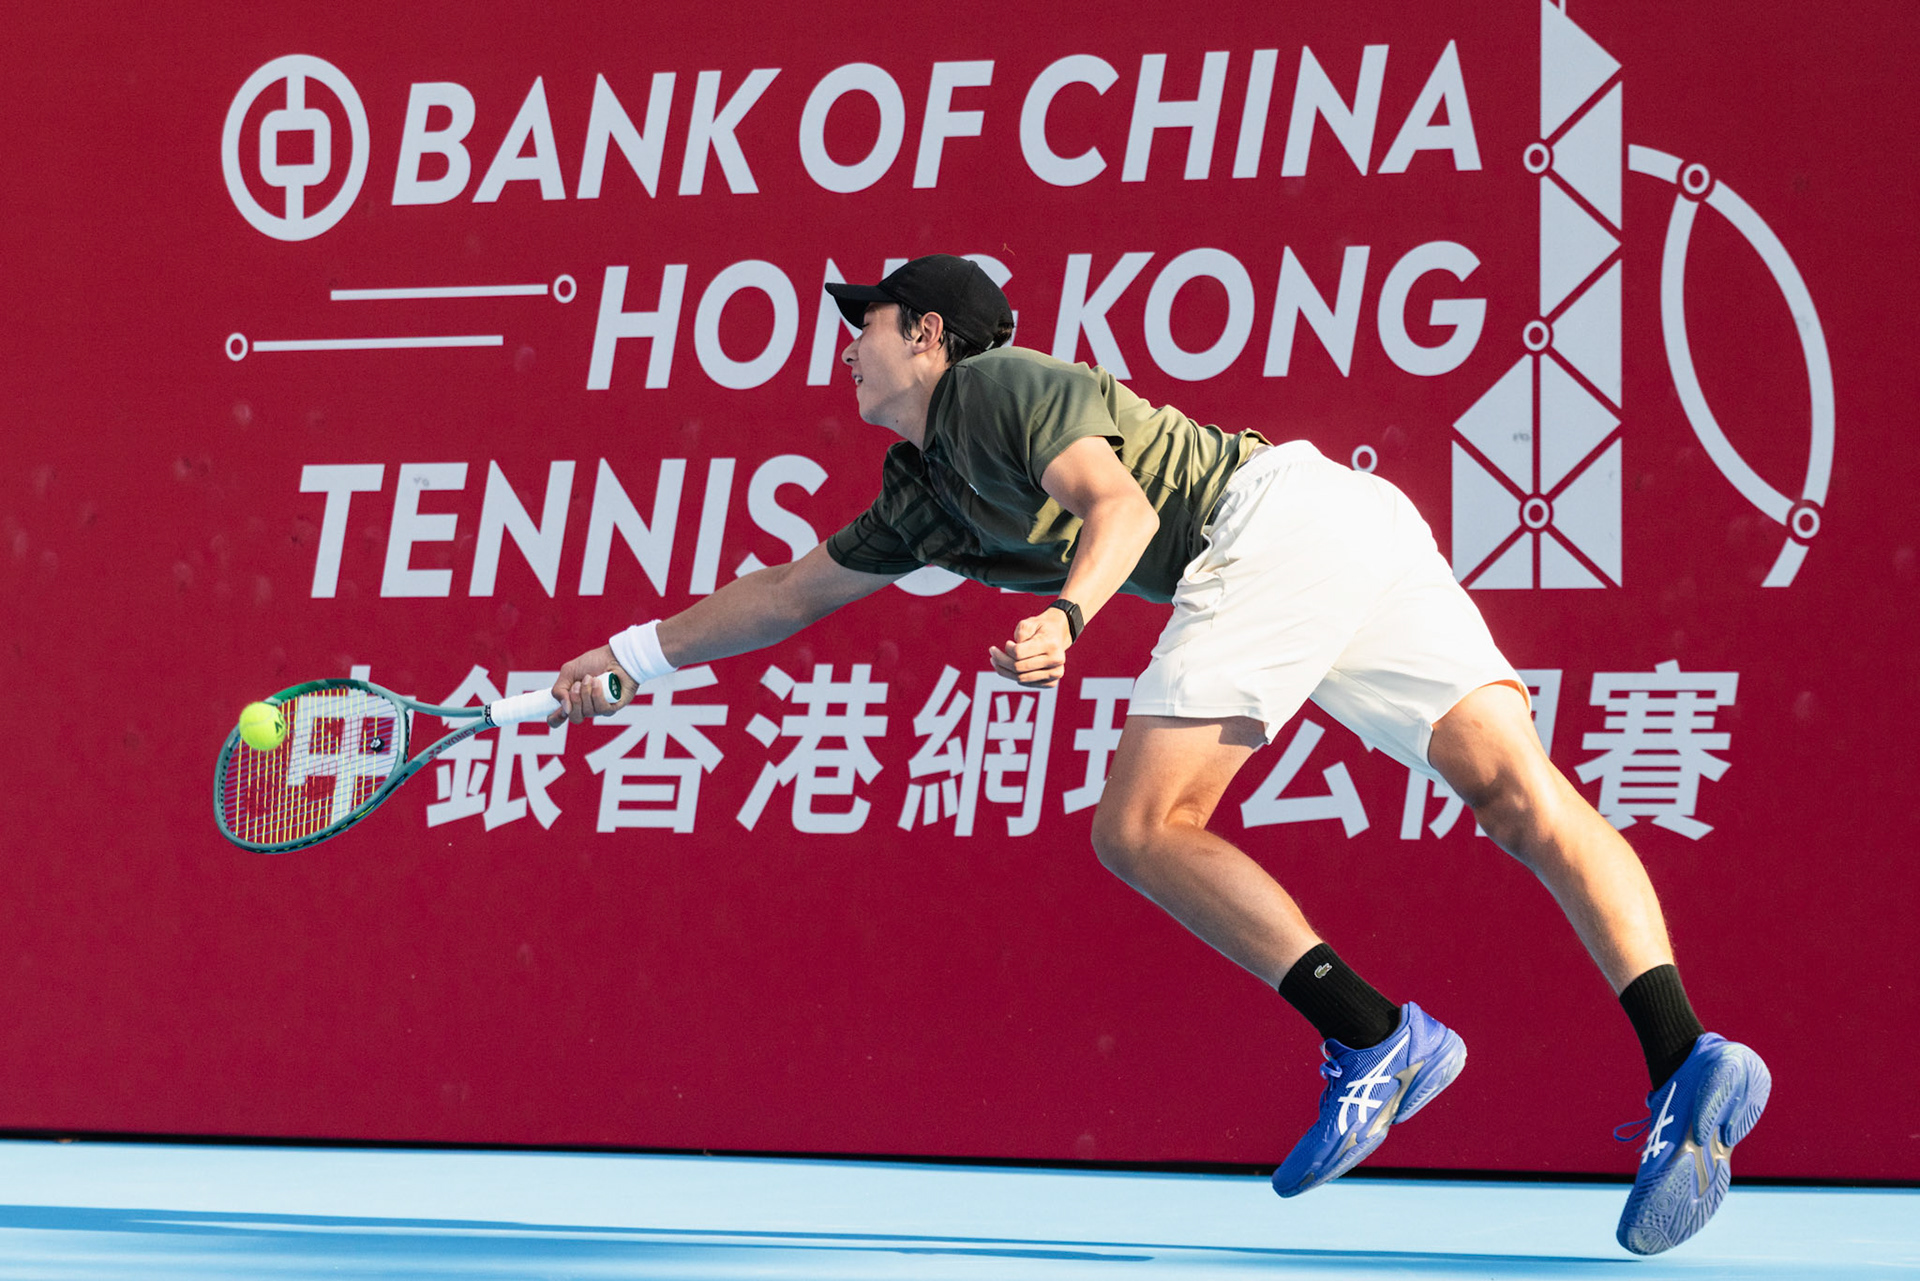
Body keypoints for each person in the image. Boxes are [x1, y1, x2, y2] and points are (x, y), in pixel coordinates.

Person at [546, 254, 1768, 1255]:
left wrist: (1071, 616)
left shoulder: (997, 387)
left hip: (1266, 529)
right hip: (1353, 525)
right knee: (1521, 800)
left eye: (860, 324)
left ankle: (1374, 1035)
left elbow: (1119, 507)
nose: (844, 346)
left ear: (927, 335)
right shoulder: (924, 490)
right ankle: (1687, 1054)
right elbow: (786, 595)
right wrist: (625, 661)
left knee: (1139, 828)